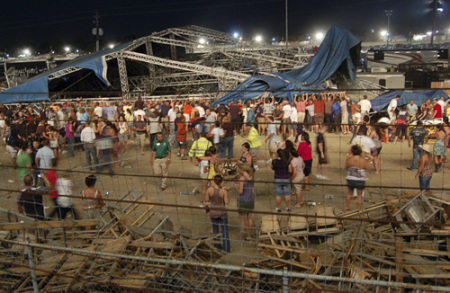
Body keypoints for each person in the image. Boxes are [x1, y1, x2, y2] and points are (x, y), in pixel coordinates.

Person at [206, 175, 230, 253]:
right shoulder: (223, 191)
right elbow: (227, 202)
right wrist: (226, 193)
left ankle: (217, 247)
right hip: (222, 212)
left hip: (213, 212)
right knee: (224, 230)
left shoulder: (209, 190)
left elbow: (206, 199)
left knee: (215, 230)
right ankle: (226, 249)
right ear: (221, 181)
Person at [233, 163, 255, 240]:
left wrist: (236, 186)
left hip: (243, 200)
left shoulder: (242, 178)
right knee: (250, 218)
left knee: (242, 219)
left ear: (242, 170)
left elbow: (240, 192)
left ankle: (243, 236)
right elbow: (252, 189)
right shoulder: (252, 177)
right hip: (251, 199)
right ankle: (250, 235)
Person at [345, 145, 369, 211]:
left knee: (349, 192)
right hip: (359, 179)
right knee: (359, 195)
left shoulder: (349, 159)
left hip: (350, 178)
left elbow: (346, 167)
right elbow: (367, 168)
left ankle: (346, 206)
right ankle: (359, 209)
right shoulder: (363, 160)